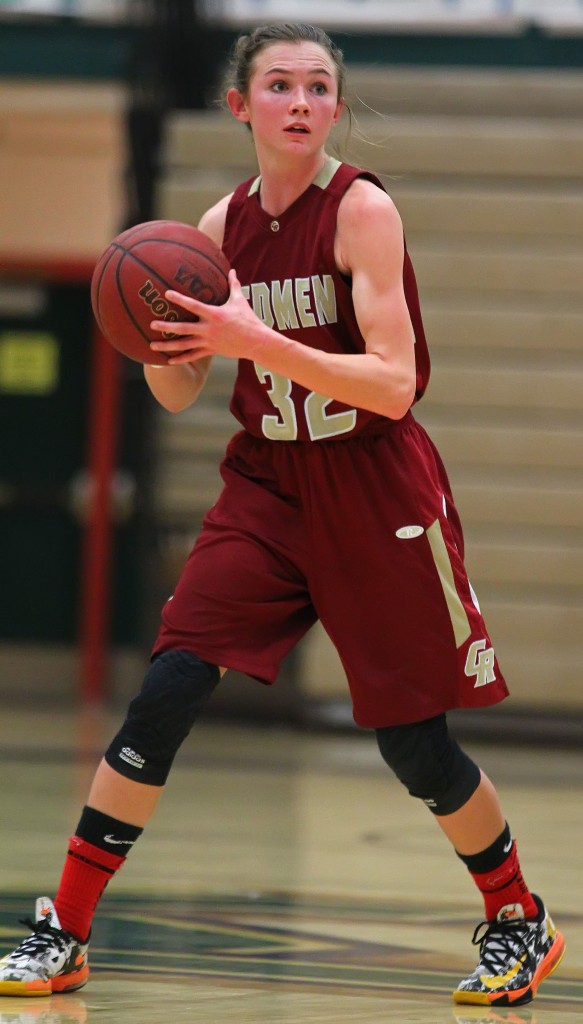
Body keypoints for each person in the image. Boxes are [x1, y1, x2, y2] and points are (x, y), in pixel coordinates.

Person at [0, 22, 564, 1008]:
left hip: (374, 484)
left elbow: (394, 384)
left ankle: (519, 916)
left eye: (316, 86)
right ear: (240, 105)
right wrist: (161, 344)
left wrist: (251, 335)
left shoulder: (362, 213)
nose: (298, 101)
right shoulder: (215, 228)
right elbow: (178, 395)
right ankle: (66, 929)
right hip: (266, 486)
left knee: (411, 739)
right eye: (277, 84)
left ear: (335, 108)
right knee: (167, 688)